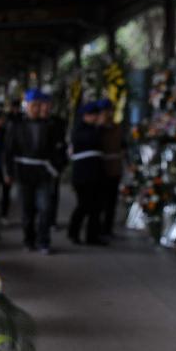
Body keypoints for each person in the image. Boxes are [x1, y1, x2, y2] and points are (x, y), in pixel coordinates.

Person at [4, 89, 58, 253]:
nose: (36, 109)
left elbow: (57, 149)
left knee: (45, 207)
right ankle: (28, 240)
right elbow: (8, 150)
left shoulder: (50, 126)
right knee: (27, 209)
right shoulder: (16, 126)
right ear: (26, 106)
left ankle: (44, 241)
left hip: (43, 172)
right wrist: (8, 173)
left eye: (38, 105)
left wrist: (56, 167)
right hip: (24, 173)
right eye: (32, 105)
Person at [68, 101, 106, 245]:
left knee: (96, 207)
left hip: (96, 174)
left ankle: (92, 236)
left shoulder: (96, 129)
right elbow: (89, 140)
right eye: (93, 115)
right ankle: (73, 232)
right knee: (84, 205)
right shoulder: (79, 130)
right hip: (83, 175)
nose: (96, 118)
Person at [39, 93, 68, 228]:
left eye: (48, 104)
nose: (46, 107)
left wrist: (61, 163)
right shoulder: (32, 122)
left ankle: (51, 220)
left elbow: (62, 144)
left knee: (52, 194)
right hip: (36, 166)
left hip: (53, 165)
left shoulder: (58, 122)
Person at [98, 98, 123, 237]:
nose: (108, 114)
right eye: (105, 112)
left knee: (111, 202)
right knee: (99, 202)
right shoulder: (96, 128)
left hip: (114, 169)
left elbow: (122, 145)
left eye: (109, 111)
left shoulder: (117, 127)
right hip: (100, 170)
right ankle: (98, 228)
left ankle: (107, 228)